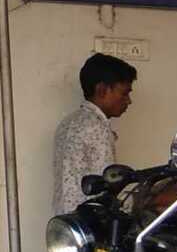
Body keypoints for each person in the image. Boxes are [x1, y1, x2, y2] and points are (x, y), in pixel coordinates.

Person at [52, 52, 136, 214]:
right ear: (102, 90)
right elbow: (108, 184)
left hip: (65, 220)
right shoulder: (97, 127)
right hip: (89, 219)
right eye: (124, 93)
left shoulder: (68, 122)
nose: (129, 101)